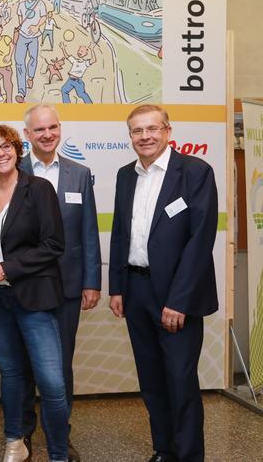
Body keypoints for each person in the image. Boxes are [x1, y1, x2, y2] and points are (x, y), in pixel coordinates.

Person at [109, 105, 218, 462]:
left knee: (180, 381)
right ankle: (164, 449)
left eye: (152, 129)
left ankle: (188, 456)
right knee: (152, 380)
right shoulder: (126, 175)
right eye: (137, 131)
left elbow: (200, 242)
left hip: (176, 296)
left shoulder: (195, 173)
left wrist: (179, 301)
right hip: (137, 290)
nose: (145, 137)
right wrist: (117, 288)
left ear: (168, 131)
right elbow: (120, 234)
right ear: (130, 137)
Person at [0, 124, 68, 462]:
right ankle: (15, 440)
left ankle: (57, 452)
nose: (1, 152)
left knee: (51, 382)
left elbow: (54, 244)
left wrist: (7, 268)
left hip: (34, 298)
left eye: (6, 145)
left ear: (17, 149)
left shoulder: (38, 189)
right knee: (11, 373)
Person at [19, 105, 102, 462]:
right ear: (27, 135)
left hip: (67, 285)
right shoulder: (8, 169)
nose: (47, 134)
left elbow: (88, 230)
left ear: (60, 129)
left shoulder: (79, 174)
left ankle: (60, 436)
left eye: (52, 128)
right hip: (23, 285)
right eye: (39, 130)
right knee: (22, 366)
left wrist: (91, 281)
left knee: (61, 366)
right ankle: (22, 436)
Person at [14, 0, 47, 103]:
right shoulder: (21, 5)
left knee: (33, 58)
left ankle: (30, 76)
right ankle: (21, 92)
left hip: (34, 37)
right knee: (19, 62)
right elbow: (20, 18)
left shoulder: (40, 4)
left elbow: (44, 17)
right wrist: (22, 28)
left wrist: (37, 26)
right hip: (22, 36)